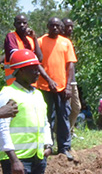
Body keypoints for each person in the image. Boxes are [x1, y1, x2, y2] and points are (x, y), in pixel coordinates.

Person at [36, 17, 77, 161]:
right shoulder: (40, 41)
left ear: (61, 28)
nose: (54, 28)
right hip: (44, 86)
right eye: (52, 26)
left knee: (63, 116)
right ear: (47, 26)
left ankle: (64, 148)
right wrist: (49, 80)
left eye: (57, 26)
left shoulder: (66, 42)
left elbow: (70, 66)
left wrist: (67, 87)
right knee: (46, 118)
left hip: (62, 88)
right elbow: (37, 63)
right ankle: (47, 146)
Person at [4, 15, 54, 88]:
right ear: (14, 25)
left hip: (30, 83)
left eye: (24, 23)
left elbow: (39, 59)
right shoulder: (11, 37)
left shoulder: (30, 39)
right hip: (16, 82)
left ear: (27, 25)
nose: (22, 25)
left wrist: (35, 39)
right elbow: (18, 57)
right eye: (19, 23)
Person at [60, 18, 81, 131]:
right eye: (67, 26)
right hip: (62, 82)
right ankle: (63, 134)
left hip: (72, 81)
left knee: (76, 108)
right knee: (65, 109)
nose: (70, 29)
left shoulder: (68, 42)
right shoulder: (58, 42)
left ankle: (68, 130)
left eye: (71, 26)